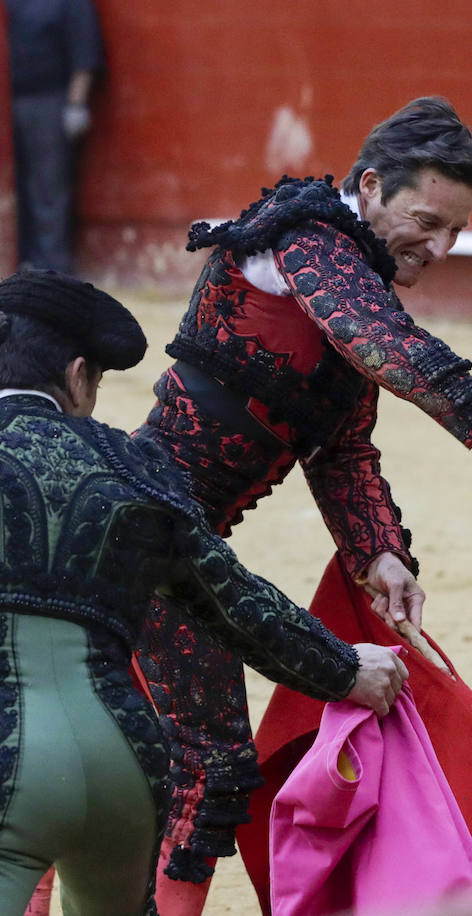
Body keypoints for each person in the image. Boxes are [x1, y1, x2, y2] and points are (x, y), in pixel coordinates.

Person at [129, 95, 472, 908]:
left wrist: (380, 553)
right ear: (369, 187)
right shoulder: (306, 239)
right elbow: (374, 337)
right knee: (203, 765)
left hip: (171, 543)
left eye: (457, 232)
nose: (439, 247)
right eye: (428, 220)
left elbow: (342, 448)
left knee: (135, 754)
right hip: (146, 536)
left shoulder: (348, 275)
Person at [0, 269, 408, 914]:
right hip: (123, 762)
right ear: (79, 377)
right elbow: (232, 601)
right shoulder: (130, 463)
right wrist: (345, 668)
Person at [3, 0, 103, 273]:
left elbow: (84, 52)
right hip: (8, 102)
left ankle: (51, 267)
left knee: (48, 187)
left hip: (49, 101)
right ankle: (20, 262)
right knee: (15, 188)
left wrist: (75, 104)